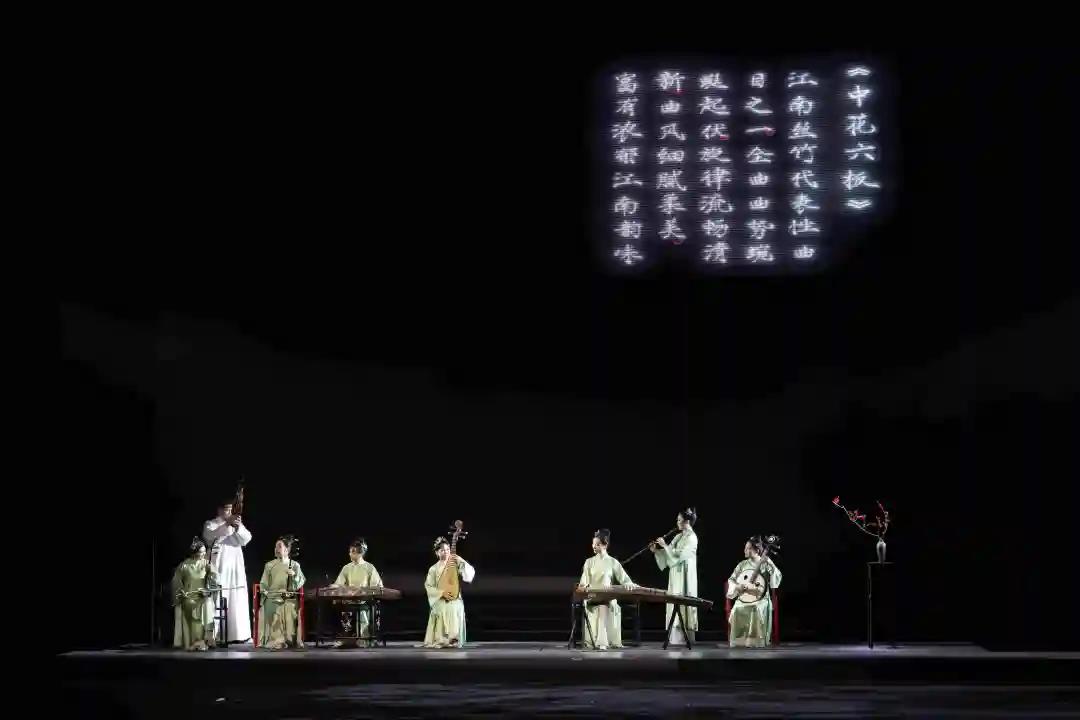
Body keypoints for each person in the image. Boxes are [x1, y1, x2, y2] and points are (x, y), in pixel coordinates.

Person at [203, 499, 252, 643]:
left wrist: (237, 527)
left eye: (231, 510)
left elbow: (246, 539)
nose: (230, 513)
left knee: (237, 597)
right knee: (219, 597)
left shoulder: (236, 524)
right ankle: (216, 635)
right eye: (227, 510)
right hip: (220, 566)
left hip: (235, 567)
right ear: (219, 510)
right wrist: (227, 525)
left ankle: (239, 635)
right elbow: (209, 537)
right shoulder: (211, 524)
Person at [577, 529, 635, 650]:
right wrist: (586, 587)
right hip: (592, 597)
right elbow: (583, 584)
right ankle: (601, 642)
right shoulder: (589, 562)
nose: (594, 546)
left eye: (597, 544)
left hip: (608, 597)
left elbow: (625, 579)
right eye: (593, 544)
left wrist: (628, 584)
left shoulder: (613, 562)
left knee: (605, 605)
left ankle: (602, 642)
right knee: (602, 605)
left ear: (605, 545)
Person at [651, 507, 699, 646]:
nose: (677, 522)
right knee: (674, 599)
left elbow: (679, 556)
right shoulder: (678, 536)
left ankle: (686, 636)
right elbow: (669, 553)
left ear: (687, 521)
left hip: (685, 573)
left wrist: (664, 545)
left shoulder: (692, 537)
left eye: (679, 520)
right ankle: (675, 636)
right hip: (675, 573)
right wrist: (657, 551)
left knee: (683, 598)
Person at [726, 536, 782, 647]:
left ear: (757, 550)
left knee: (755, 608)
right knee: (736, 609)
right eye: (745, 548)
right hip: (744, 597)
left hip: (761, 598)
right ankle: (740, 640)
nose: (745, 551)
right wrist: (737, 586)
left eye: (748, 548)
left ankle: (754, 641)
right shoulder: (742, 564)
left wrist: (770, 564)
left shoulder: (765, 562)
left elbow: (776, 576)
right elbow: (731, 579)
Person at [422, 536, 476, 648]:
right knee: (441, 608)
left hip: (454, 596)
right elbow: (429, 586)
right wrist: (441, 593)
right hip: (440, 598)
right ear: (437, 553)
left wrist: (461, 561)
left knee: (455, 606)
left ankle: (454, 639)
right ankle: (442, 640)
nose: (446, 552)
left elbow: (469, 571)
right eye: (442, 550)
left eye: (447, 549)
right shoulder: (433, 569)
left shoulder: (454, 562)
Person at [329, 538, 383, 647]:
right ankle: (346, 637)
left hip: (365, 600)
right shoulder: (347, 568)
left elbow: (376, 587)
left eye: (353, 551)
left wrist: (362, 590)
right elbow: (339, 583)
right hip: (350, 599)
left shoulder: (369, 568)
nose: (350, 554)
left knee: (362, 609)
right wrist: (334, 586)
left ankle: (364, 638)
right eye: (350, 551)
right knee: (338, 605)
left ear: (361, 553)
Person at [257, 535, 305, 650]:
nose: (276, 549)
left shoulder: (294, 565)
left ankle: (289, 639)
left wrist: (294, 576)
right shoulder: (269, 565)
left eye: (279, 546)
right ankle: (276, 640)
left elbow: (300, 582)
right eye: (275, 547)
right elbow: (263, 583)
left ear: (287, 550)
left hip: (289, 598)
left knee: (289, 608)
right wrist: (265, 592)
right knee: (273, 607)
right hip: (273, 597)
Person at [171, 538, 217, 651]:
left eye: (204, 551)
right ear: (194, 552)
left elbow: (214, 582)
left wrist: (209, 585)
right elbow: (176, 582)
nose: (203, 554)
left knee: (207, 604)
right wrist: (181, 592)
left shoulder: (206, 564)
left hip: (202, 596)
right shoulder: (184, 565)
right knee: (192, 605)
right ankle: (195, 641)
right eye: (201, 552)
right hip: (188, 597)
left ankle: (206, 638)